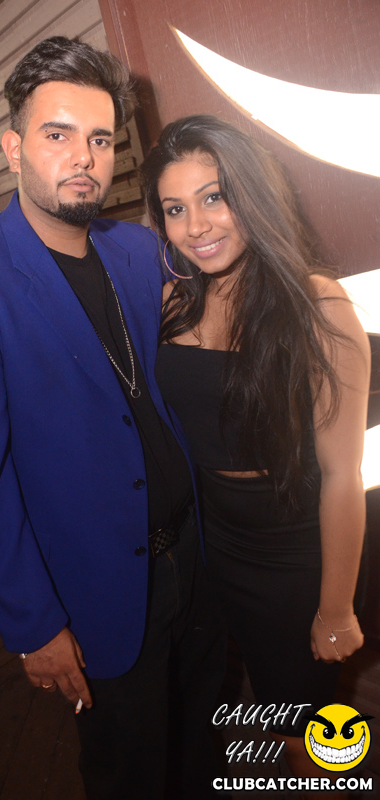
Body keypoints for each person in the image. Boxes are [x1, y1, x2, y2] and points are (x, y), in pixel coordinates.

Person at [0, 40, 225, 800]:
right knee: (130, 774)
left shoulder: (138, 249)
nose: (84, 157)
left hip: (196, 560)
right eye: (58, 134)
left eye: (100, 139)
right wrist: (33, 627)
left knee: (205, 750)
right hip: (97, 594)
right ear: (14, 147)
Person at [141, 115, 370, 778]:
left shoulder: (317, 305)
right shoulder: (172, 303)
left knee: (310, 730)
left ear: (253, 193)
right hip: (211, 541)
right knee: (265, 710)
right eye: (175, 209)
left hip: (291, 551)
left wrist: (335, 607)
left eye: (214, 197)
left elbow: (341, 473)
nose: (196, 226)